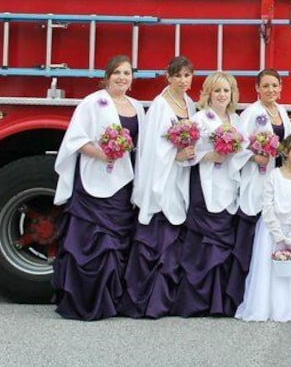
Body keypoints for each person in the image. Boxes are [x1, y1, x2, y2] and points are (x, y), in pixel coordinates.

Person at [52, 55, 145, 320]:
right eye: (117, 72)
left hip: (122, 183)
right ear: (107, 76)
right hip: (92, 181)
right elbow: (75, 139)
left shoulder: (137, 107)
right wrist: (101, 153)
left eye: (127, 73)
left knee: (115, 244)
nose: (122, 78)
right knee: (90, 241)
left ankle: (110, 300)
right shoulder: (92, 102)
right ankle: (84, 299)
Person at [120, 56, 196, 318]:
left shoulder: (190, 105)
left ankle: (165, 299)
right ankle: (143, 299)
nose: (183, 81)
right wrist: (175, 156)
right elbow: (151, 147)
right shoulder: (160, 106)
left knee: (175, 238)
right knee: (156, 238)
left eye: (187, 76)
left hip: (180, 178)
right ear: (168, 77)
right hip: (161, 177)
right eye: (178, 76)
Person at [172, 71, 245, 317]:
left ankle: (220, 301)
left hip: (228, 186)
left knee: (225, 240)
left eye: (226, 90)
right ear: (208, 94)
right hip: (205, 185)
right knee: (204, 243)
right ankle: (197, 300)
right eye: (218, 90)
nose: (223, 95)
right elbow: (185, 154)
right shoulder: (200, 119)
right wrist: (209, 155)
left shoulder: (236, 120)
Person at [236, 130, 291, 322]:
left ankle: (287, 308)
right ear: (285, 153)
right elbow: (267, 206)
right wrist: (278, 234)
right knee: (269, 271)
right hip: (272, 232)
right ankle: (266, 307)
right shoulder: (274, 176)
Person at [232, 69, 291, 307]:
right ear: (257, 88)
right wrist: (252, 157)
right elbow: (236, 145)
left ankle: (269, 291)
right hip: (257, 178)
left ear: (281, 88)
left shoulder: (282, 111)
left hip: (277, 179)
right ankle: (244, 293)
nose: (271, 90)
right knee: (252, 232)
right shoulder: (251, 113)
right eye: (265, 86)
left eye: (274, 86)